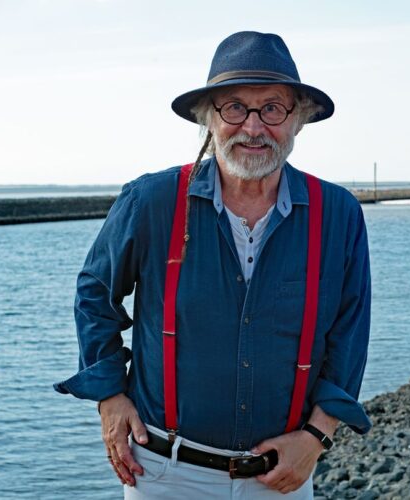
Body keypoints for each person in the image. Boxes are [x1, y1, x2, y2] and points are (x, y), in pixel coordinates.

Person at [54, 31, 372, 499]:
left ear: (298, 120)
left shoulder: (338, 213)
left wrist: (317, 435)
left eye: (273, 108)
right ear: (208, 119)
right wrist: (109, 395)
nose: (254, 127)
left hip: (281, 478)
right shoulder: (152, 201)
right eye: (235, 107)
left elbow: (350, 328)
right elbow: (94, 292)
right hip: (162, 475)